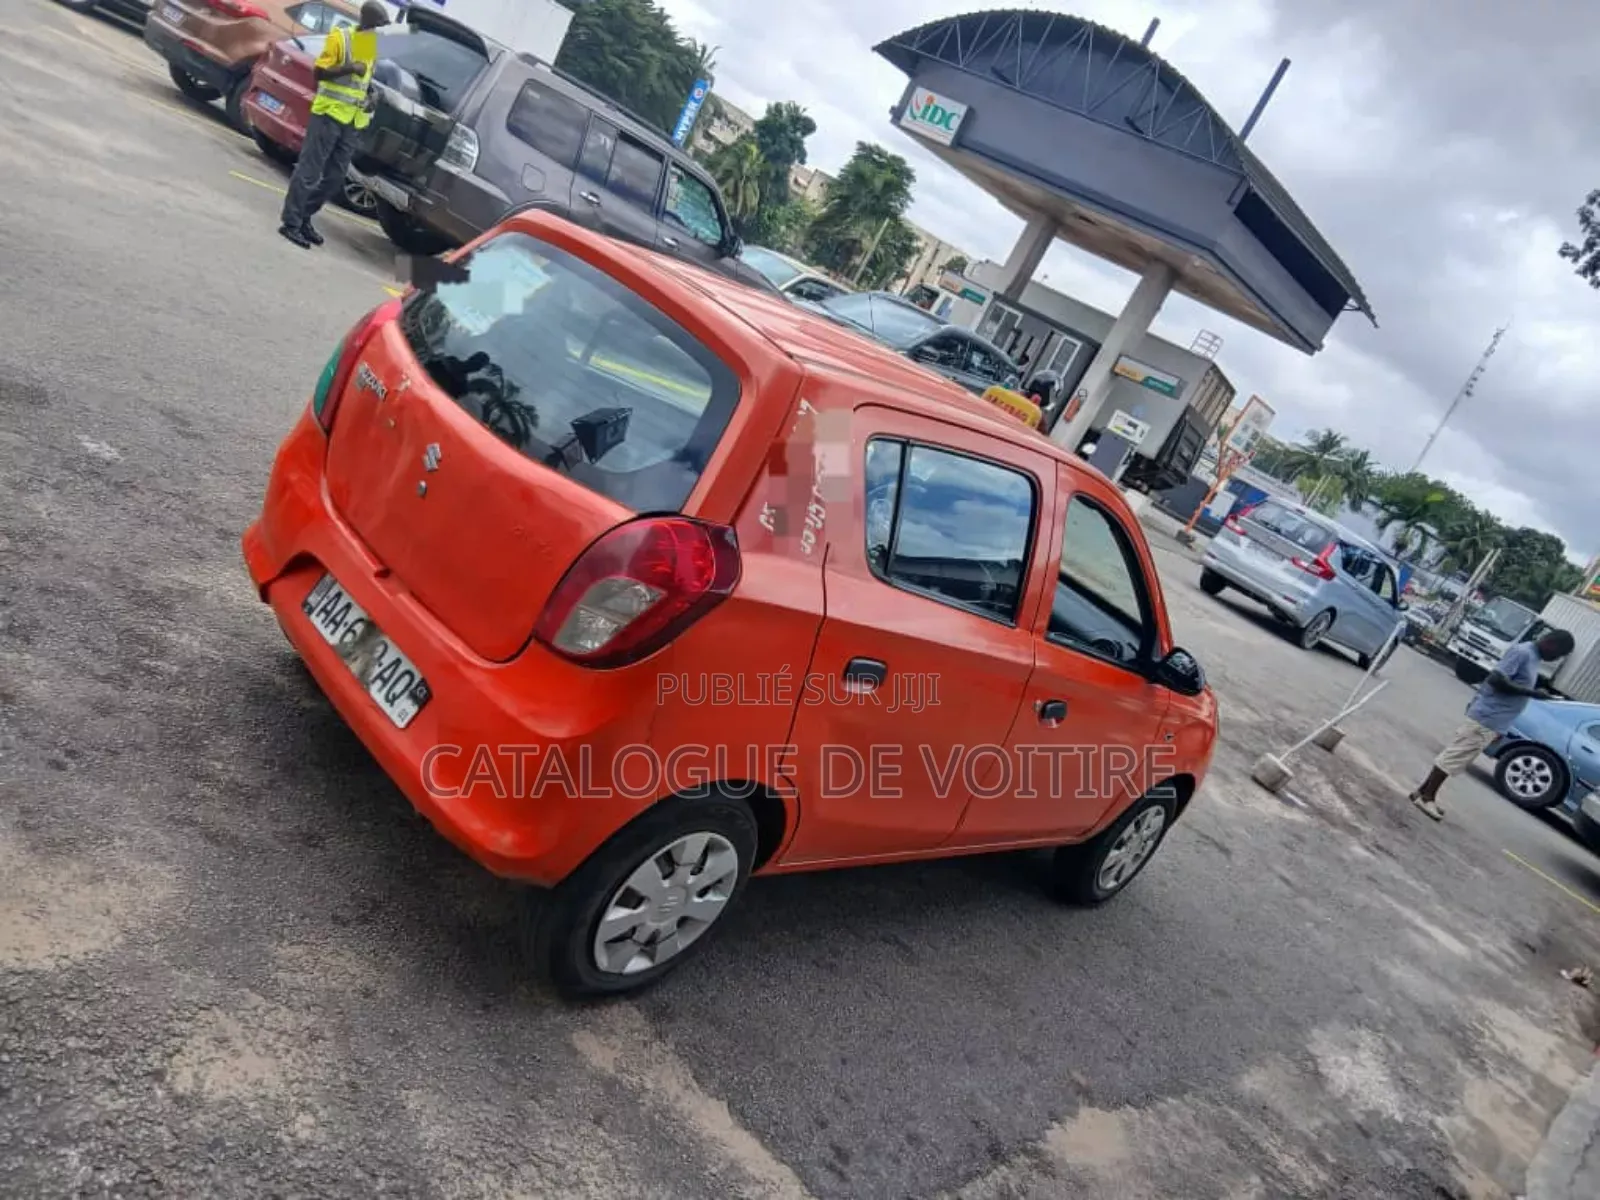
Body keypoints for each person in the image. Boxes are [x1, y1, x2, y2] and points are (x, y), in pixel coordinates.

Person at [1407, 628, 1575, 821]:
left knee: (1455, 756)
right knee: (1454, 757)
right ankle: (1428, 797)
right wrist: (1532, 693)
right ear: (1551, 644)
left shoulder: (1532, 657)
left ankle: (1421, 792)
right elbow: (1496, 679)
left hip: (1494, 719)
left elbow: (1514, 682)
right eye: (1558, 654)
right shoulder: (1523, 652)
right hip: (1487, 715)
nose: (1555, 659)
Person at [278, 2, 391, 249]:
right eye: (378, 26)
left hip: (351, 120)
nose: (379, 32)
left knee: (335, 178)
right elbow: (319, 72)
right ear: (368, 21)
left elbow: (362, 80)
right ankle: (291, 223)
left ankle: (304, 216)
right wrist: (350, 67)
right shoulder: (341, 38)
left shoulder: (368, 43)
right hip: (328, 114)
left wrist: (371, 93)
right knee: (309, 171)